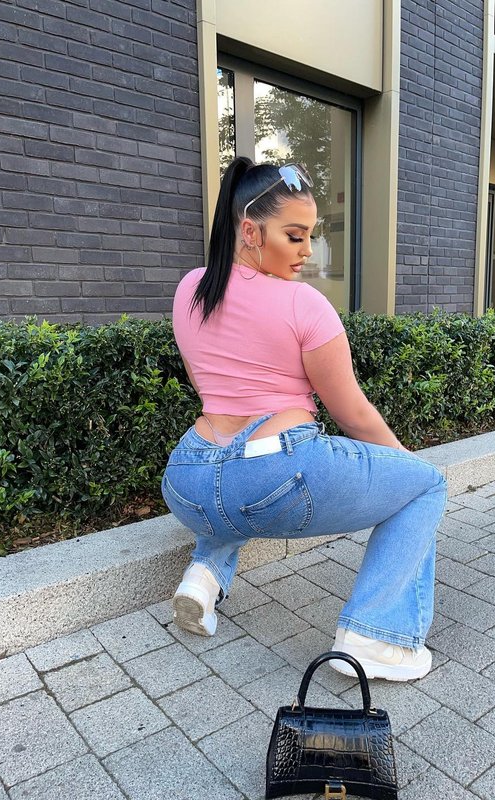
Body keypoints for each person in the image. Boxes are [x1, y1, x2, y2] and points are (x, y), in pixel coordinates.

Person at [161, 156, 448, 681]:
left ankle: (203, 576)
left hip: (187, 478)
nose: (307, 251)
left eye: (310, 236)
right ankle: (375, 636)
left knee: (237, 476)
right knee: (425, 485)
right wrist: (405, 464)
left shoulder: (190, 290)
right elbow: (352, 413)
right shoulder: (303, 304)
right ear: (250, 231)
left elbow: (205, 385)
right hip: (276, 473)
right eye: (294, 236)